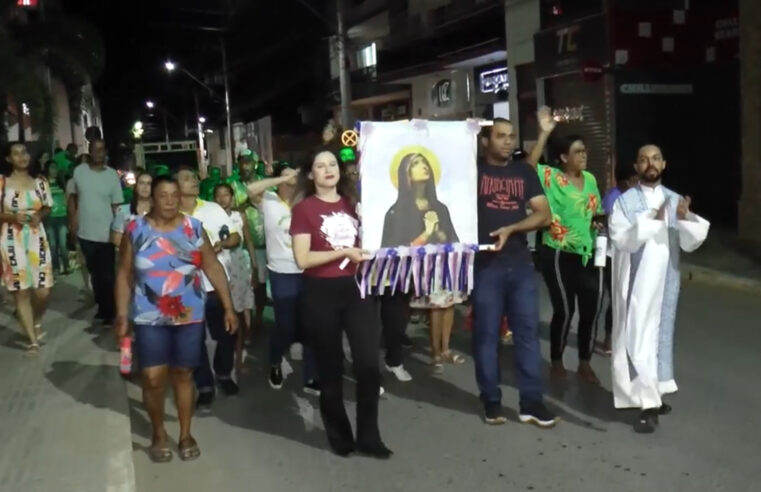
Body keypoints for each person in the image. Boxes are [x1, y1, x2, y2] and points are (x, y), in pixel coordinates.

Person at [114, 175, 237, 462]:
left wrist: (228, 306)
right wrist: (121, 315)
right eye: (163, 195)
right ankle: (158, 432)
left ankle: (185, 433)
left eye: (174, 195)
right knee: (153, 378)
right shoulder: (136, 229)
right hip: (148, 315)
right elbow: (124, 274)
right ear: (152, 199)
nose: (170, 200)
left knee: (183, 374)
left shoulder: (193, 228)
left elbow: (213, 266)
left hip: (189, 314)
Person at [291, 148, 390, 458]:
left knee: (369, 366)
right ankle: (340, 436)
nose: (327, 169)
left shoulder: (355, 204)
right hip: (320, 291)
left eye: (332, 163)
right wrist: (343, 252)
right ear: (311, 174)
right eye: (320, 165)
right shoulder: (304, 209)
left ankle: (370, 437)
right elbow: (303, 258)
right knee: (330, 368)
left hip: (358, 289)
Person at [609, 144, 709, 433]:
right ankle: (648, 403)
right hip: (637, 282)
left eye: (655, 159)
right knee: (639, 338)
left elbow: (691, 242)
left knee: (658, 338)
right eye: (643, 159)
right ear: (636, 167)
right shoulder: (625, 202)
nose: (649, 163)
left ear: (663, 164)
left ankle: (653, 394)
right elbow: (620, 239)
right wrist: (649, 222)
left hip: (667, 282)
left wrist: (686, 217)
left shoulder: (675, 199)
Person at [472, 118, 558, 427]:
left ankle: (531, 403)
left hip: (520, 264)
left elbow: (544, 215)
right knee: (486, 336)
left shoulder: (524, 172)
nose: (508, 141)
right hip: (485, 265)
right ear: (485, 141)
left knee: (527, 336)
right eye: (500, 136)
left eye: (512, 136)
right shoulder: (473, 173)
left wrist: (512, 228)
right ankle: (491, 400)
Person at [530, 132, 605, 385]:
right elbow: (528, 168)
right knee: (565, 309)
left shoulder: (591, 179)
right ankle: (557, 361)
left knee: (591, 310)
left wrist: (600, 225)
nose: (583, 155)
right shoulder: (551, 177)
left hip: (590, 253)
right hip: (558, 253)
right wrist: (543, 133)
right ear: (563, 157)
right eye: (577, 151)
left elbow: (596, 212)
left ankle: (585, 362)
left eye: (584, 150)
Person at [244, 165, 319, 394]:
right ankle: (275, 361)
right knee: (285, 325)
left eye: (294, 173)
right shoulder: (268, 199)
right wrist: (279, 178)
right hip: (281, 271)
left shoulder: (307, 199)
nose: (291, 177)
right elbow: (250, 189)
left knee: (311, 324)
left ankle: (311, 375)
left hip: (308, 269)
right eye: (287, 173)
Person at [175, 166, 241, 409]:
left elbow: (236, 237)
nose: (193, 180)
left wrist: (220, 244)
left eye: (193, 177)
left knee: (226, 333)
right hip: (187, 289)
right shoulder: (171, 216)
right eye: (186, 177)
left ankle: (224, 374)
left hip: (215, 285)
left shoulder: (213, 209)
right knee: (195, 340)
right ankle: (204, 384)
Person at [0, 142, 55, 355]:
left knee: (43, 290)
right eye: (16, 153)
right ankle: (32, 341)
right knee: (21, 290)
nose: (22, 156)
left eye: (24, 152)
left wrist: (40, 215)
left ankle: (37, 318)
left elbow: (48, 206)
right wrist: (12, 216)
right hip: (10, 240)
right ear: (8, 159)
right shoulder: (3, 183)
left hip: (36, 238)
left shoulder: (40, 182)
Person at [69, 138, 124, 325]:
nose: (98, 153)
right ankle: (103, 307)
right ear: (90, 151)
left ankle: (111, 310)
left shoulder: (112, 176)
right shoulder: (79, 172)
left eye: (101, 150)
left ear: (105, 152)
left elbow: (117, 205)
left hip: (107, 233)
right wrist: (72, 221)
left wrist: (119, 231)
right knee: (95, 273)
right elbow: (73, 199)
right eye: (95, 150)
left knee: (108, 274)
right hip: (85, 232)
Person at [213, 183, 256, 375]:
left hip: (239, 264)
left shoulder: (239, 216)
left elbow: (248, 241)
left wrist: (254, 266)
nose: (223, 199)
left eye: (226, 195)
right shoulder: (211, 217)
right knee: (224, 311)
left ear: (232, 197)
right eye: (219, 195)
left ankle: (239, 357)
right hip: (220, 266)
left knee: (239, 310)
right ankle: (226, 357)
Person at [597, 167, 638, 355]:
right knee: (616, 299)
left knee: (628, 299)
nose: (636, 184)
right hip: (611, 255)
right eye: (633, 180)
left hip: (628, 254)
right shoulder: (614, 197)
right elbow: (611, 225)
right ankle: (609, 339)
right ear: (625, 181)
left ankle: (623, 338)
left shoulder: (635, 196)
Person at [380, 153, 458, 248]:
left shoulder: (441, 209)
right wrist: (426, 234)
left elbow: (455, 247)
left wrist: (438, 233)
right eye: (415, 164)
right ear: (406, 174)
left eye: (425, 162)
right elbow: (390, 254)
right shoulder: (395, 213)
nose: (424, 166)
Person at [43, 160, 70, 275]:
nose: (55, 170)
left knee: (63, 243)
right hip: (49, 218)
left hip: (62, 217)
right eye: (52, 167)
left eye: (56, 168)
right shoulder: (43, 184)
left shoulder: (61, 183)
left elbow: (66, 200)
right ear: (47, 169)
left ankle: (66, 265)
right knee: (52, 244)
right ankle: (56, 267)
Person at [111, 171, 152, 247]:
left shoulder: (160, 211)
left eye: (149, 183)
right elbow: (116, 239)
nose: (145, 187)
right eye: (141, 183)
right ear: (136, 187)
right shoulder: (123, 210)